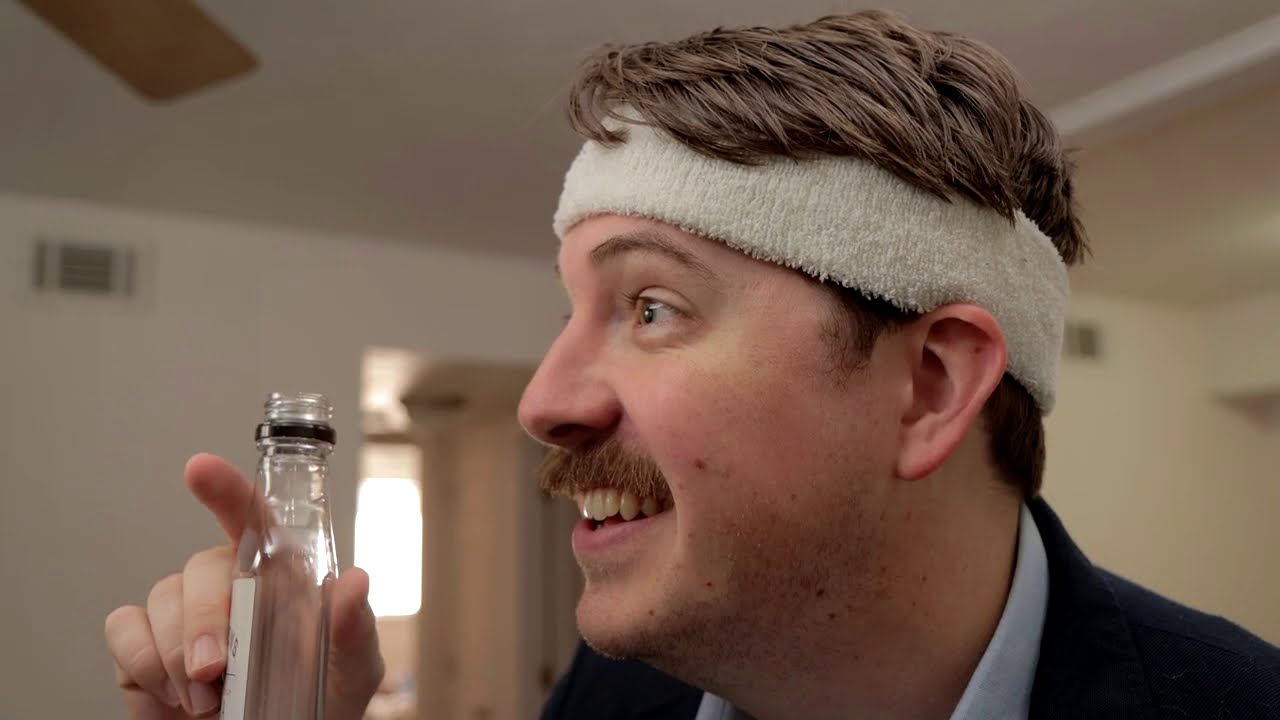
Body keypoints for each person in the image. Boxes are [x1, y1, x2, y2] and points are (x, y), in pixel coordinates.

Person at [104, 9, 1280, 720]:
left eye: (652, 306)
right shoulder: (617, 694)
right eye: (573, 313)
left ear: (927, 387)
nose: (542, 403)